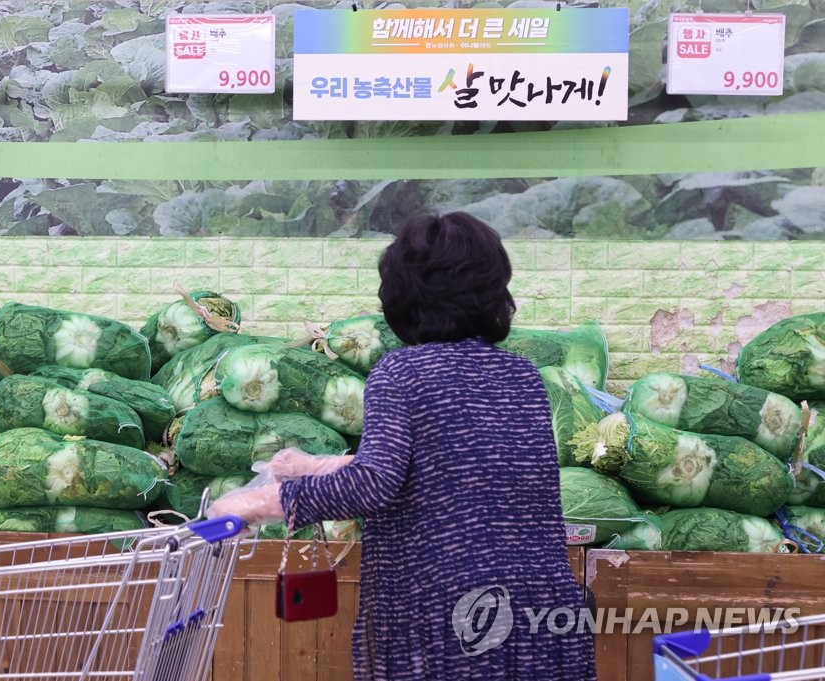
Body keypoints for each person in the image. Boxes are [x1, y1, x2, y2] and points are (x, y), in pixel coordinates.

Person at [208, 211, 597, 681]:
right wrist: (321, 466)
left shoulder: (402, 372)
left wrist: (262, 502)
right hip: (541, 607)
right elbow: (450, 469)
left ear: (402, 296)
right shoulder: (523, 377)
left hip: (447, 614)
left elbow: (375, 486)